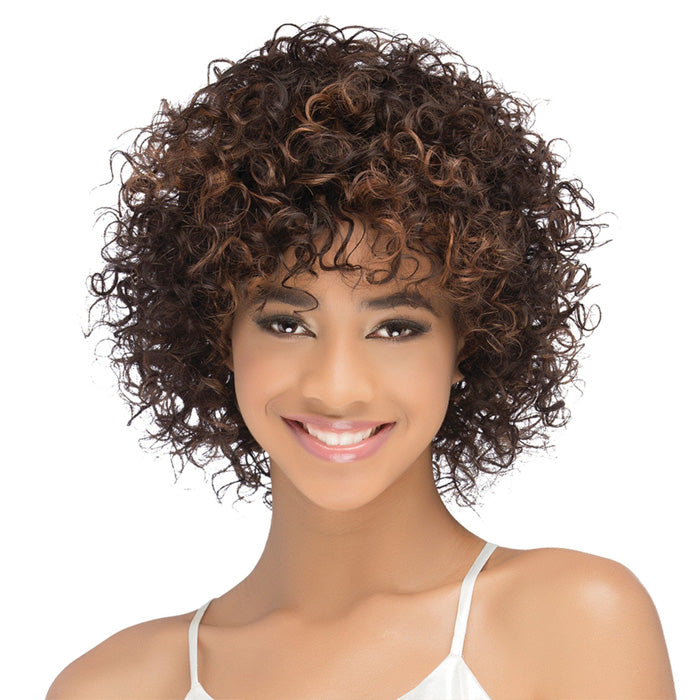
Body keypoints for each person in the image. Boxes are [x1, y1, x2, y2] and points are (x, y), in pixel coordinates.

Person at [46, 22, 675, 700]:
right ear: (216, 334)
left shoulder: (570, 621)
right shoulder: (113, 686)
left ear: (468, 343)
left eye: (396, 329)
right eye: (287, 324)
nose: (337, 387)